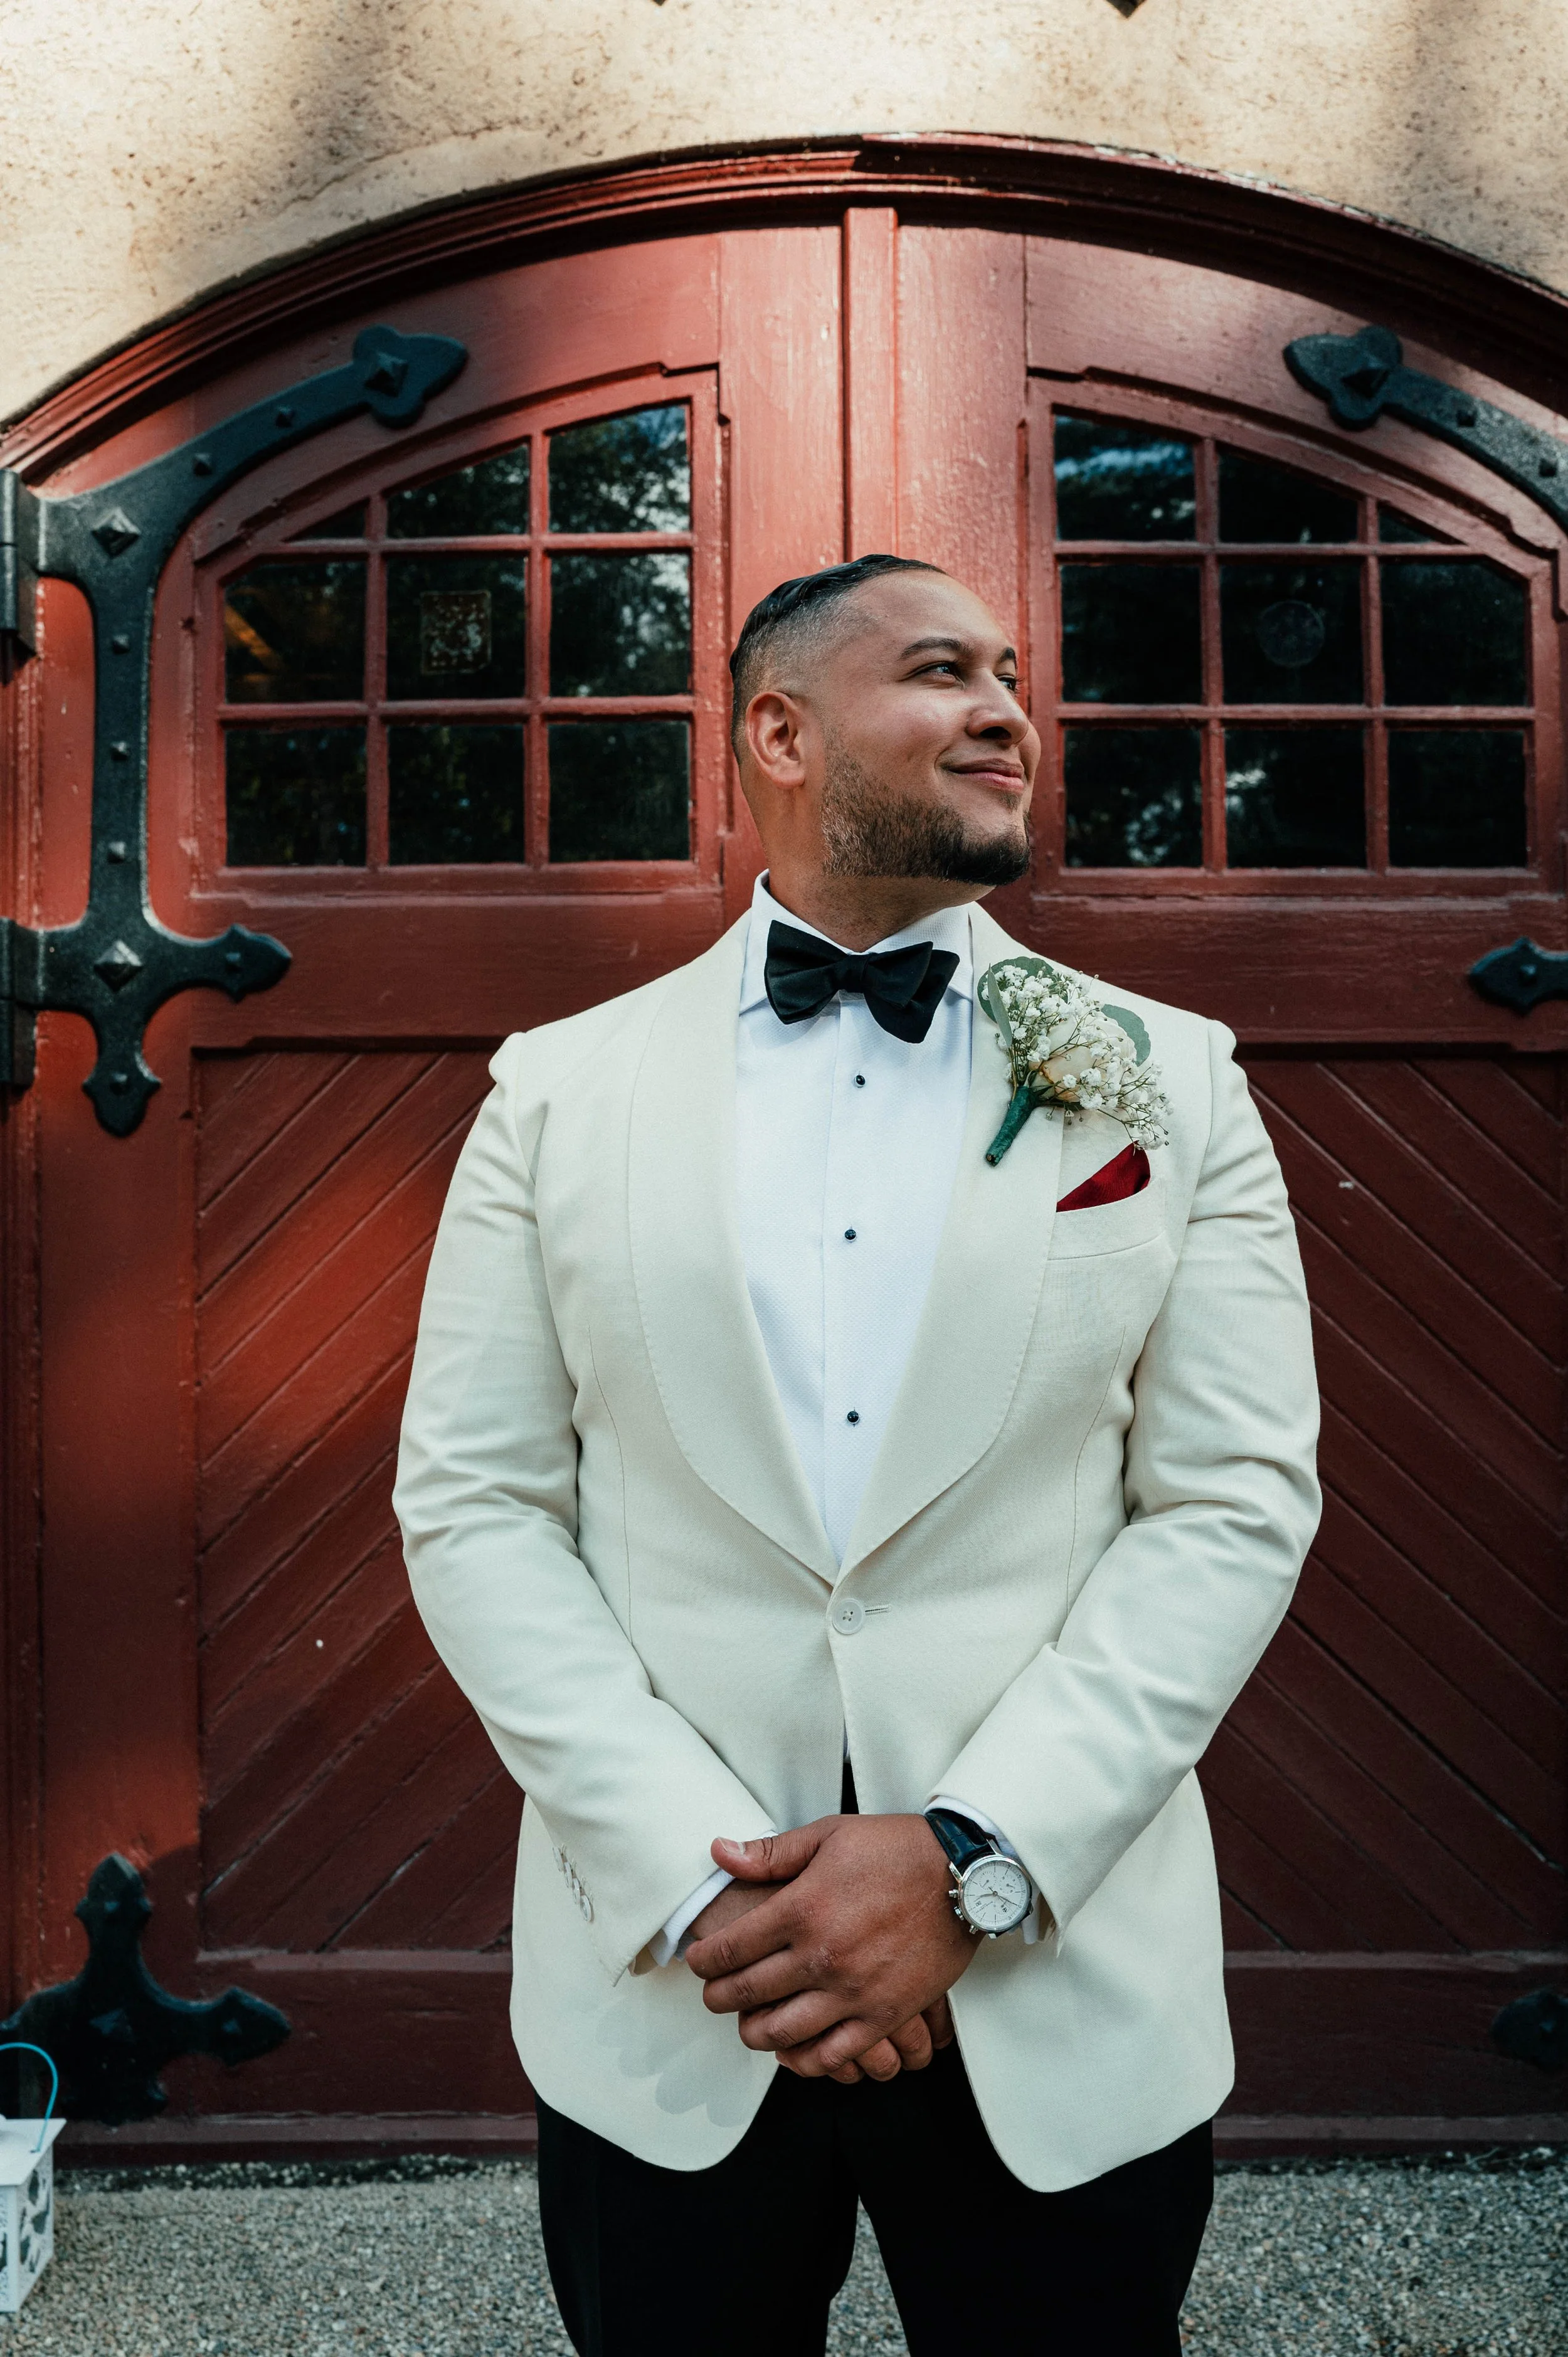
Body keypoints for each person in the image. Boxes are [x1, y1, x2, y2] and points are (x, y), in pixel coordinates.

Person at [394, 553, 1321, 2355]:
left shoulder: (1170, 1080)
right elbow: (479, 1503)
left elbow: (1229, 1498)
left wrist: (972, 1857)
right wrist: (689, 1876)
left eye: (1014, 680)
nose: (1006, 713)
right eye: (940, 671)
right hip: (679, 1991)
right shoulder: (557, 1091)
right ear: (778, 731)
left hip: (1055, 1971)